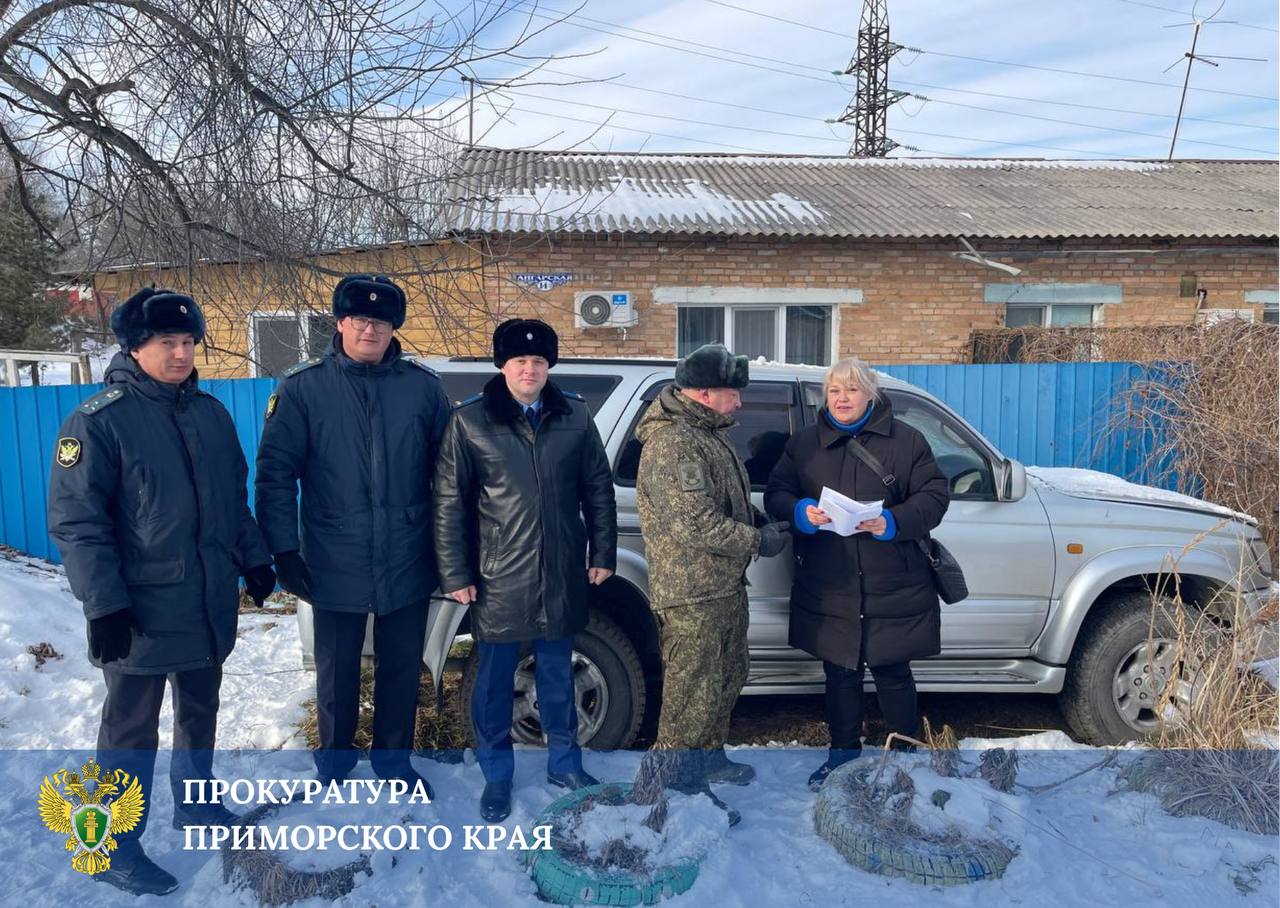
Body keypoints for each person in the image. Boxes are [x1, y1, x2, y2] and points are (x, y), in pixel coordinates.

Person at [47, 288, 275, 895]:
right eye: (165, 343)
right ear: (134, 347)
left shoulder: (211, 414)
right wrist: (105, 605)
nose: (179, 353)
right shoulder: (99, 421)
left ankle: (196, 803)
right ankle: (111, 847)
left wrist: (253, 560)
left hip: (204, 604)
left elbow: (232, 500)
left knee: (200, 713)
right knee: (130, 730)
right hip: (140, 611)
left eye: (186, 341)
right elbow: (78, 523)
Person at [255, 274, 449, 791]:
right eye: (360, 320)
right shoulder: (303, 387)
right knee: (337, 671)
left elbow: (450, 478)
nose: (370, 330)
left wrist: (449, 552)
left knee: (401, 668)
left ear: (393, 330)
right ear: (339, 322)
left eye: (381, 323)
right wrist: (283, 550)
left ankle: (393, 763)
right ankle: (335, 764)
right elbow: (275, 474)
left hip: (408, 552)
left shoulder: (423, 389)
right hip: (332, 555)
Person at [433, 318, 616, 823]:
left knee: (557, 675)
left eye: (538, 361)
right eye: (520, 361)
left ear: (549, 366)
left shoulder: (574, 415)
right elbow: (449, 504)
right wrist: (455, 573)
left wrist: (602, 553)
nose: (530, 369)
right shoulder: (469, 422)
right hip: (498, 576)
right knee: (493, 682)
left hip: (559, 573)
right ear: (503, 366)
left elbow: (597, 489)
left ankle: (565, 764)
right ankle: (497, 774)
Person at [764, 357, 949, 790]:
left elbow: (935, 496)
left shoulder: (906, 442)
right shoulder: (805, 444)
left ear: (870, 394)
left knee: (893, 671)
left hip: (893, 580)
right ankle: (842, 755)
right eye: (834, 391)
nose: (841, 398)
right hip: (832, 580)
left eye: (850, 389)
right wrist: (800, 512)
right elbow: (777, 492)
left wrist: (895, 522)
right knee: (840, 672)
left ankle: (906, 758)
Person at [634, 343, 791, 822]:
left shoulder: (708, 433)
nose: (739, 402)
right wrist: (756, 541)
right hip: (692, 593)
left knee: (726, 677)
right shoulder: (673, 443)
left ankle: (709, 757)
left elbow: (724, 500)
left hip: (723, 585)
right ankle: (677, 786)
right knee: (691, 695)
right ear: (704, 393)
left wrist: (760, 517)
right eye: (732, 393)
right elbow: (695, 524)